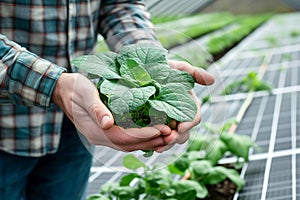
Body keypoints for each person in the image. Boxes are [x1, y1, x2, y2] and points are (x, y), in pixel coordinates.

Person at [0, 0, 215, 199]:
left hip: (79, 124)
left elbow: (119, 4)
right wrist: (53, 84)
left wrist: (146, 59)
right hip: (8, 128)